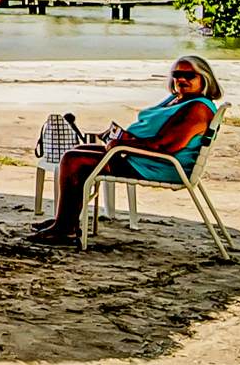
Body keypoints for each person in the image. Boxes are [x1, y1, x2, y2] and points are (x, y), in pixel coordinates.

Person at [34, 55, 220, 244]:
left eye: (189, 75)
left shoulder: (197, 109)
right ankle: (66, 220)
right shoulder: (178, 99)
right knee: (77, 151)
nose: (181, 79)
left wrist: (125, 144)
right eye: (177, 74)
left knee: (74, 160)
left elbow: (165, 146)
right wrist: (124, 138)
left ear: (204, 78)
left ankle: (65, 227)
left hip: (158, 164)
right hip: (142, 156)